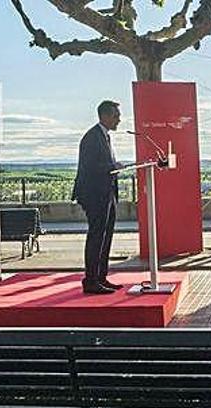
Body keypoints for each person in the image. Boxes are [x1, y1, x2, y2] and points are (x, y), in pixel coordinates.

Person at [72, 100, 123, 295]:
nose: (119, 119)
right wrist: (113, 167)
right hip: (94, 196)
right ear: (105, 116)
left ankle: (101, 277)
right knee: (96, 237)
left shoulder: (105, 137)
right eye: (116, 115)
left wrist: (114, 168)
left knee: (106, 236)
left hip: (107, 194)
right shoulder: (91, 138)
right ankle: (90, 280)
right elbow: (90, 168)